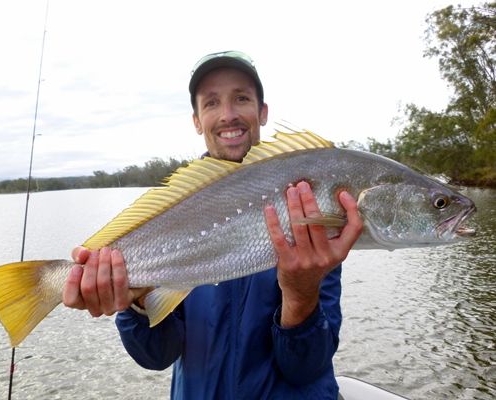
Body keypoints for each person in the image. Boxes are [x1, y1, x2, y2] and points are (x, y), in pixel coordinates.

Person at [62, 50, 363, 399]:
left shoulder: (306, 204)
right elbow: (158, 356)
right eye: (212, 103)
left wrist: (301, 294)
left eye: (241, 98)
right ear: (196, 119)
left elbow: (305, 369)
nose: (228, 115)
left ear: (262, 112)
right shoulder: (172, 213)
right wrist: (137, 305)